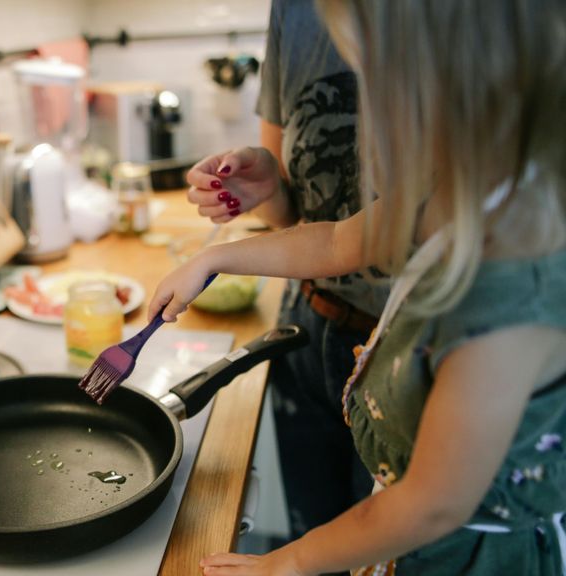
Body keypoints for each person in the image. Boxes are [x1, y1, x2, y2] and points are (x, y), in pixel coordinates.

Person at [154, 0, 566, 573]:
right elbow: (334, 244)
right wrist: (214, 260)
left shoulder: (508, 295)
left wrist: (286, 564)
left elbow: (429, 506)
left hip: (462, 557)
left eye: (376, 77)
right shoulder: (467, 189)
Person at [187, 0, 377, 539]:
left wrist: (212, 258)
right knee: (311, 531)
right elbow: (300, 217)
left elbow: (353, 238)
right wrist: (265, 187)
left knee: (380, 551)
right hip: (308, 330)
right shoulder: (295, 11)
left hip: (416, 347)